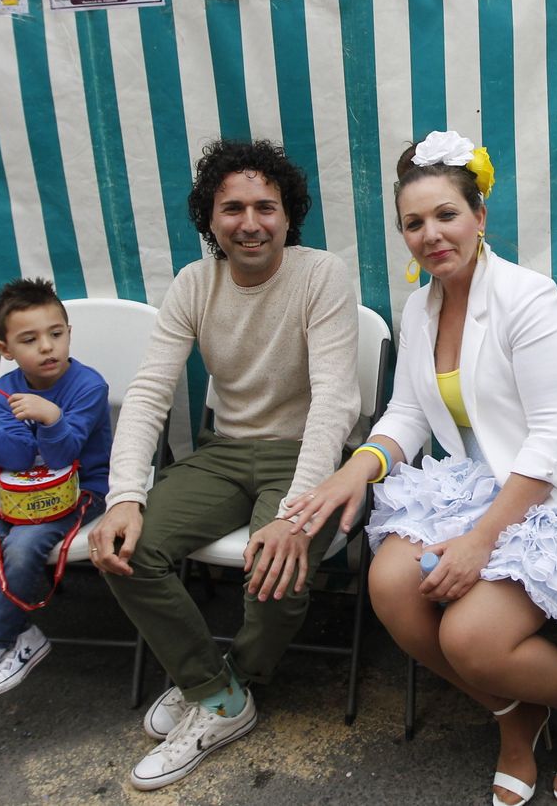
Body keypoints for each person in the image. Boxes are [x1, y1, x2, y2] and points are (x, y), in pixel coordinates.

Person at [285, 131, 557, 806]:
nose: (431, 234)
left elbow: (551, 441)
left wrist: (479, 542)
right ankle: (514, 713)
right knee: (391, 584)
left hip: (556, 496)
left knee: (471, 635)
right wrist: (352, 471)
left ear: (480, 217)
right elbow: (406, 417)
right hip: (476, 486)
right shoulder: (419, 308)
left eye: (446, 214)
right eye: (413, 222)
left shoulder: (528, 297)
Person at [87, 139, 358, 792]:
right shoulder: (193, 282)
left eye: (266, 206)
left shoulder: (322, 274)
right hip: (227, 450)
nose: (250, 222)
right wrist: (124, 494)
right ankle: (216, 690)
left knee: (280, 571)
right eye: (232, 207)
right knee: (124, 547)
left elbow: (335, 401)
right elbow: (150, 389)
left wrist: (295, 516)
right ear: (208, 219)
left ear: (289, 214)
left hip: (304, 455)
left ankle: (220, 684)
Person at [0, 277, 112, 719]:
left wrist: (51, 419)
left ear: (69, 332)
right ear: (6, 348)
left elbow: (64, 456)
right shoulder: (4, 387)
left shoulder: (88, 385)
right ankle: (23, 635)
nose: (47, 347)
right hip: (23, 488)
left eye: (56, 334)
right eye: (29, 340)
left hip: (83, 489)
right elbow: (14, 455)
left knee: (25, 545)